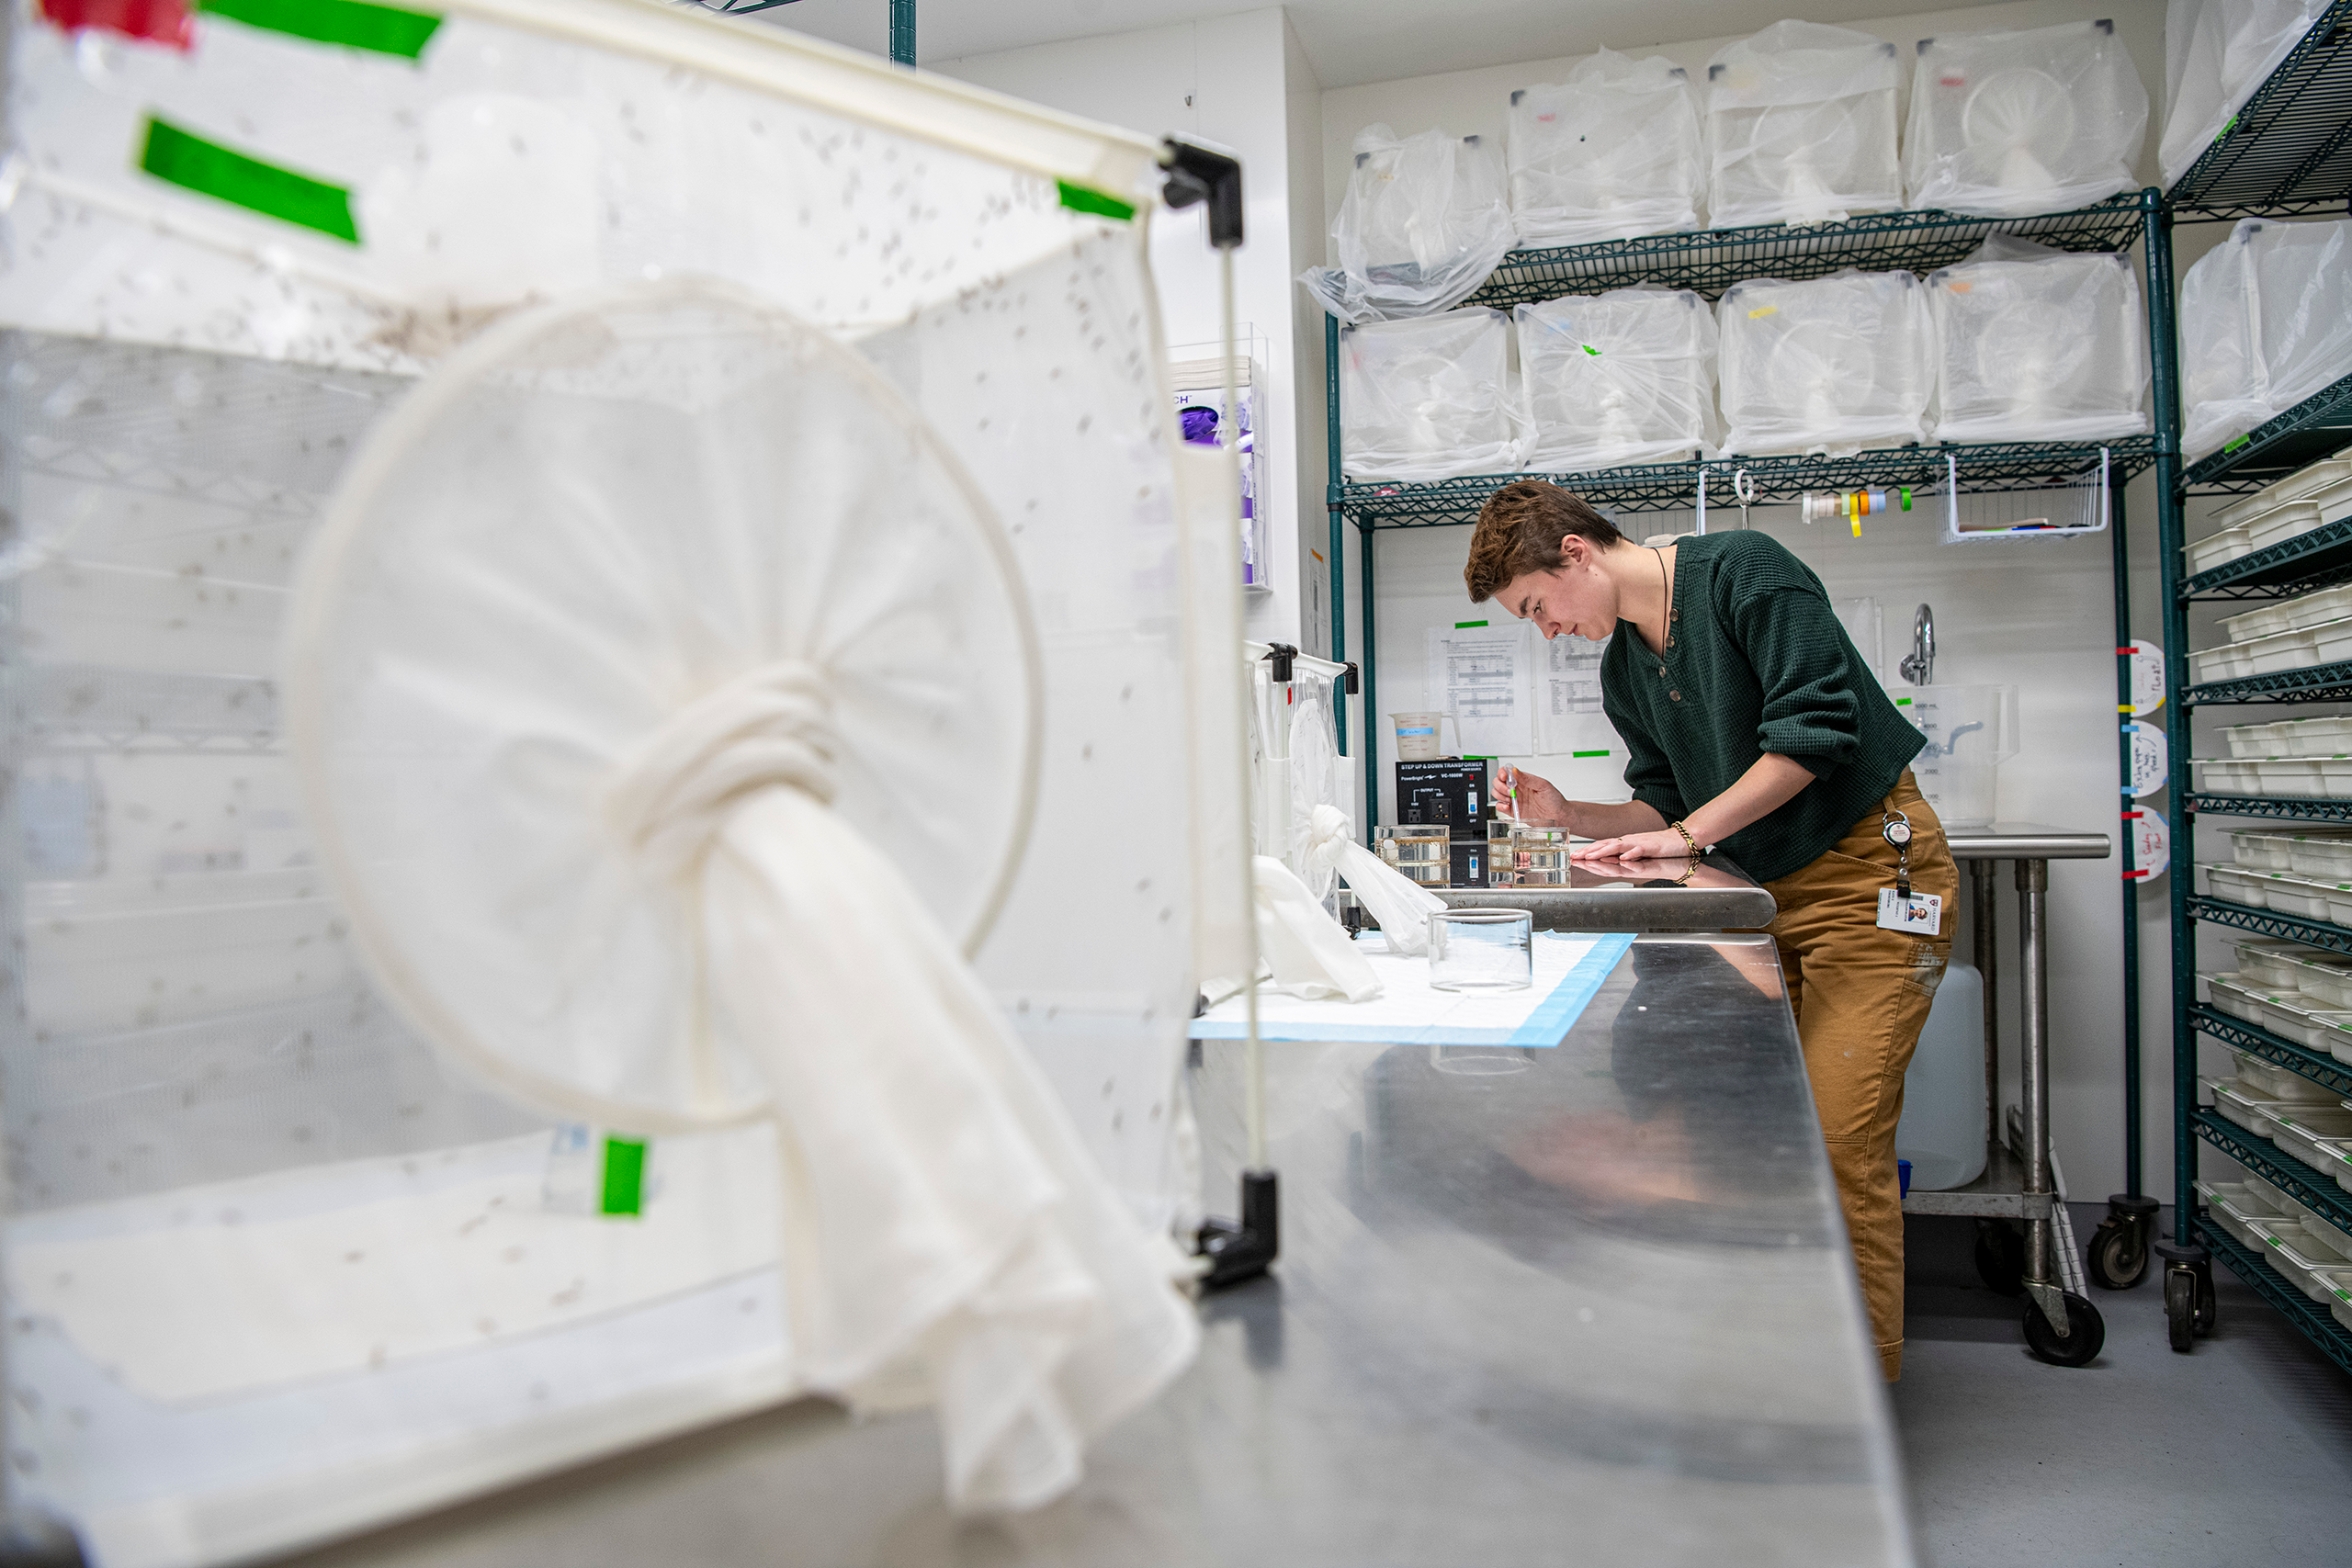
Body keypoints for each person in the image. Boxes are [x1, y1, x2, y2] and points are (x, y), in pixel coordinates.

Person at [1463, 479, 1956, 1382]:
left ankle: (1859, 1391)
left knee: (1841, 1146)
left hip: (1868, 881)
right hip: (1765, 900)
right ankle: (1789, 1357)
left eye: (1538, 607)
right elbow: (1664, 800)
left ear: (1574, 552)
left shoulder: (1742, 573)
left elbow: (1814, 736)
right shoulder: (1624, 668)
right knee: (1764, 1138)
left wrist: (1687, 837)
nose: (1546, 630)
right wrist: (1571, 812)